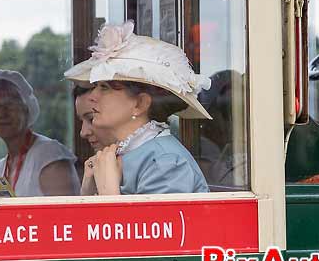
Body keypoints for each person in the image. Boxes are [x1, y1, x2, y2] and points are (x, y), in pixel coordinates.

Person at [64, 20, 212, 195]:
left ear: (140, 104)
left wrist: (108, 193)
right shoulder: (128, 153)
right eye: (95, 86)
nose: (93, 96)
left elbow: (159, 223)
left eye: (105, 87)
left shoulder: (166, 162)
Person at [0, 69, 80, 197]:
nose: (1, 113)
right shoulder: (0, 169)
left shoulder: (49, 155)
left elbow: (66, 215)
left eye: (10, 104)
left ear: (27, 108)